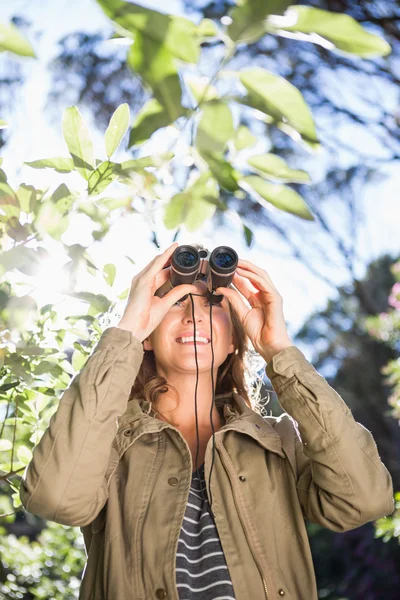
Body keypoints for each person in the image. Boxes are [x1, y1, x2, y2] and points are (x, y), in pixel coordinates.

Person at [20, 241, 394, 600]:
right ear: (148, 334)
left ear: (235, 338)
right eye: (176, 300)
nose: (194, 315)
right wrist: (126, 333)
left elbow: (363, 501)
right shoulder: (106, 443)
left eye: (213, 303)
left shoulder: (279, 443)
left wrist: (279, 352)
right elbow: (56, 499)